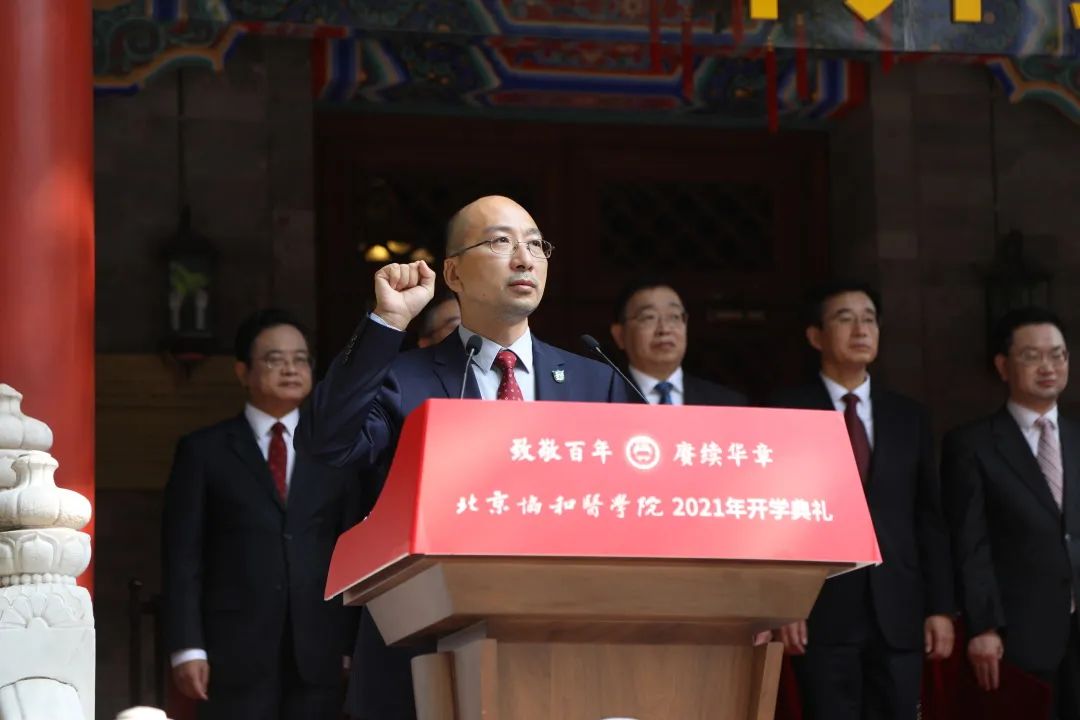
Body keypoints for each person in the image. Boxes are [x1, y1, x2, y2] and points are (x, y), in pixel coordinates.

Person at [297, 195, 630, 718]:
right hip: (422, 653)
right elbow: (326, 443)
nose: (523, 259)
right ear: (452, 272)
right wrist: (387, 322)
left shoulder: (596, 381)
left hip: (561, 652)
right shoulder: (403, 379)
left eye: (535, 245)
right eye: (501, 242)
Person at [162, 309, 362, 720]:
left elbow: (352, 548)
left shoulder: (336, 452)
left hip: (319, 649)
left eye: (301, 359)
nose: (291, 369)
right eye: (275, 359)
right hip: (232, 651)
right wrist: (187, 646)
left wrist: (351, 643)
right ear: (243, 372)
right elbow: (183, 557)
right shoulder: (204, 451)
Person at [770, 281, 954, 720]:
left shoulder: (909, 416)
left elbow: (928, 518)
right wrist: (783, 603)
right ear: (816, 336)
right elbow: (775, 518)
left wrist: (941, 607)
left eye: (869, 319)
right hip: (822, 612)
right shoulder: (787, 411)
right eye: (845, 318)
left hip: (899, 609)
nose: (861, 329)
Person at [943, 307, 1080, 719]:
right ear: (1003, 366)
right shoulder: (972, 444)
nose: (1048, 367)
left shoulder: (1077, 438)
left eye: (1057, 355)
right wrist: (984, 626)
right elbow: (970, 542)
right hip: (1018, 634)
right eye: (1031, 356)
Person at [609, 276, 745, 406]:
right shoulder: (604, 399)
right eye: (649, 317)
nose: (664, 329)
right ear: (619, 335)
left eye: (674, 316)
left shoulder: (727, 403)